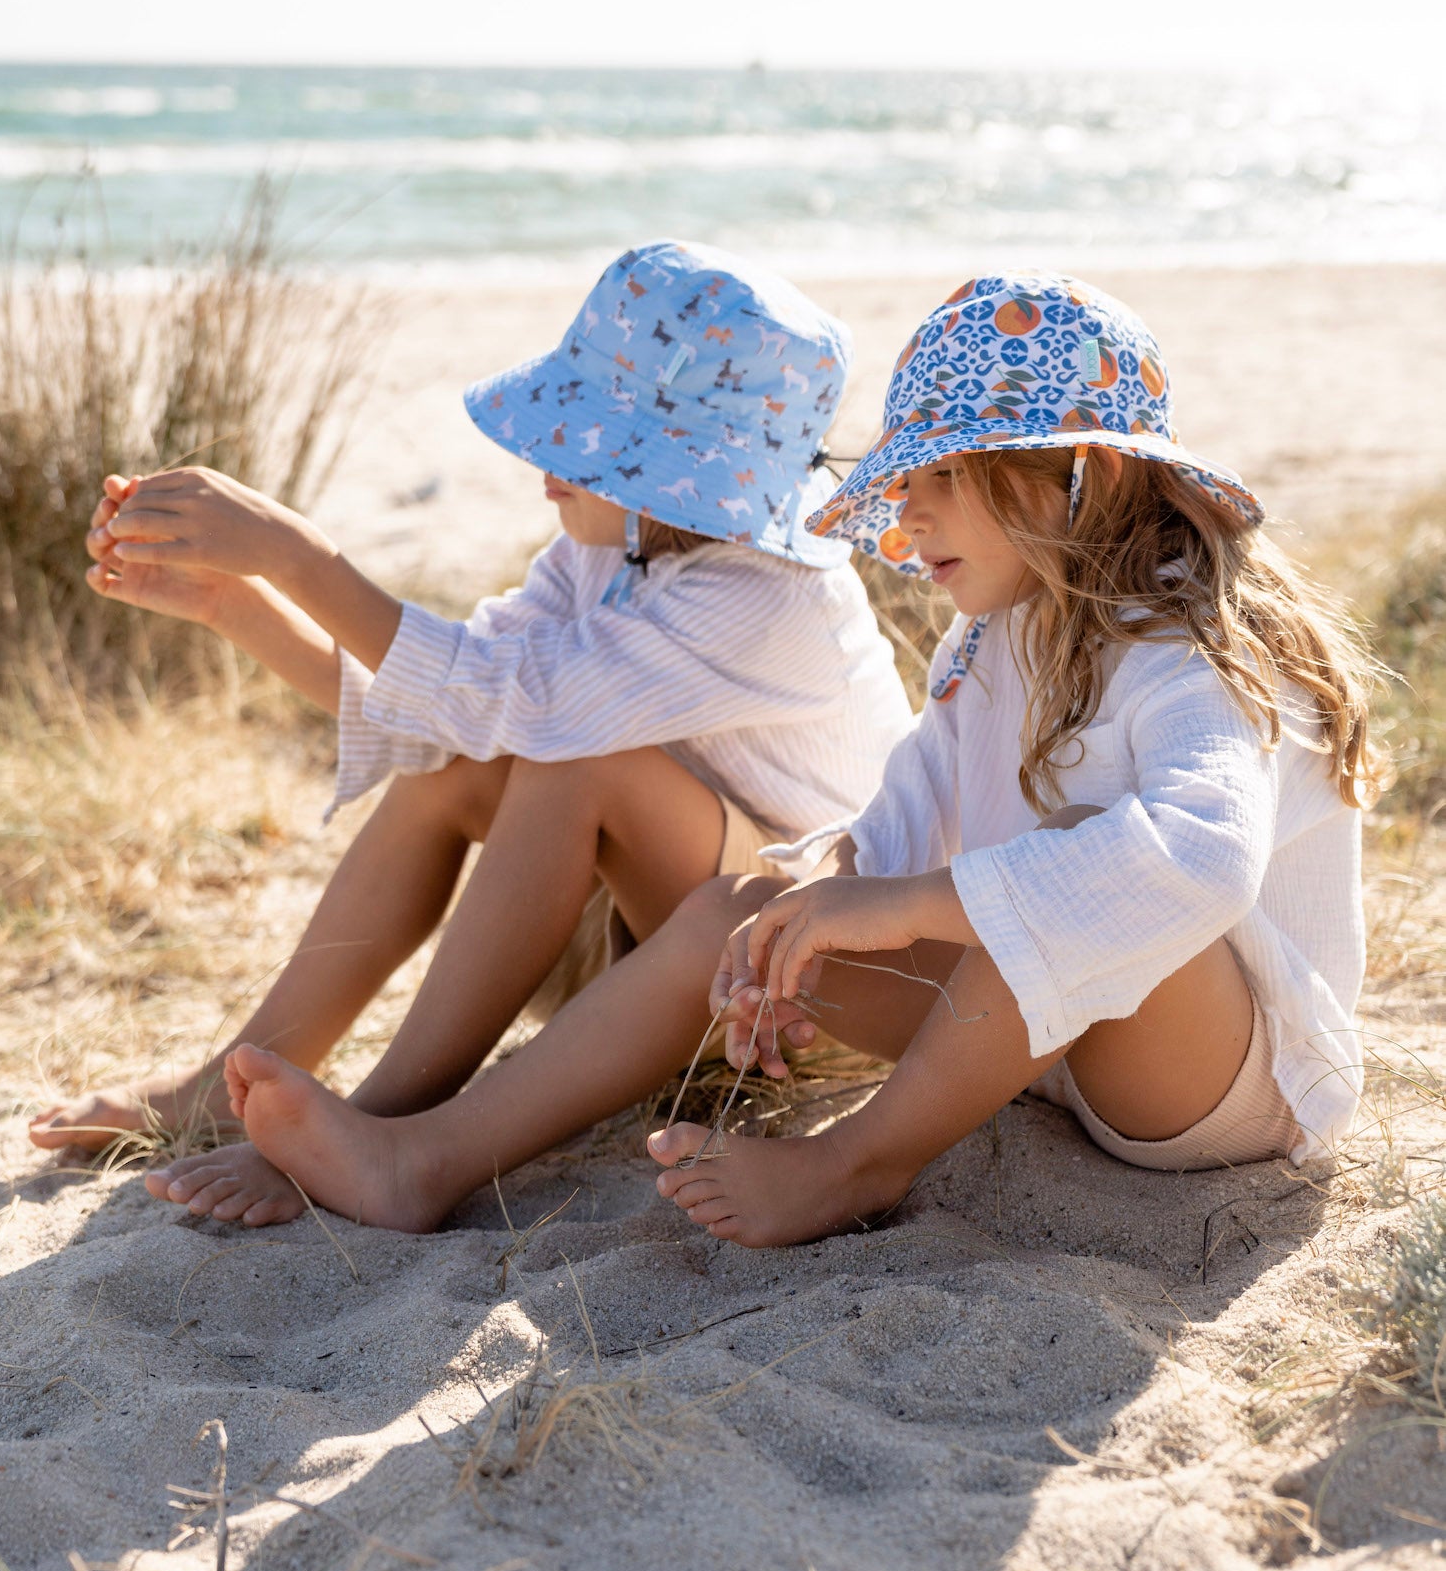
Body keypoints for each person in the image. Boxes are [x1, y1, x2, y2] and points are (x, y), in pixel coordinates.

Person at [197, 272, 1374, 1243]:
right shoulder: (994, 635)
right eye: (900, 488)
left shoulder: (1195, 657)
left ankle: (855, 1163)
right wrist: (808, 915)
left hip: (1208, 1084)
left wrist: (905, 902)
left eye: (939, 484)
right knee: (736, 911)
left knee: (1069, 873)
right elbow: (902, 818)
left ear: (1090, 476)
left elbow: (1199, 866)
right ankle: (423, 1158)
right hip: (1028, 1042)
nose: (906, 526)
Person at [27, 239, 913, 1223]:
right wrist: (236, 604)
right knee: (466, 762)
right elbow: (446, 709)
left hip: (811, 989)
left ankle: (378, 1129)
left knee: (575, 765)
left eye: (583, 447)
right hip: (685, 941)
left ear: (677, 479)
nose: (544, 465)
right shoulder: (610, 557)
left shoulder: (770, 597)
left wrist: (298, 553)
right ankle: (227, 1091)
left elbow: (513, 702)